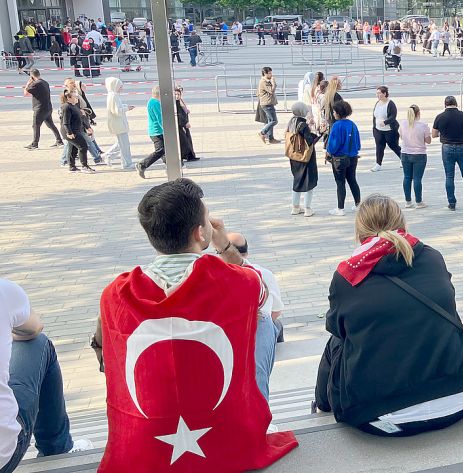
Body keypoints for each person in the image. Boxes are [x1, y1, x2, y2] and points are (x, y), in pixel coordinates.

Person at [93, 179, 298, 470]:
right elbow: (264, 296)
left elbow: (105, 351)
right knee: (264, 322)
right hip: (228, 439)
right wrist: (224, 245)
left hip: (144, 448)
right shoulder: (237, 282)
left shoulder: (116, 293)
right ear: (200, 232)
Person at [317, 195, 463, 436]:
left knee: (336, 340)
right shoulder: (432, 257)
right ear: (402, 223)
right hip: (461, 397)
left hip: (381, 416)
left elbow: (338, 330)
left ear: (359, 231)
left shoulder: (347, 276)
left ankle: (322, 405)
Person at [1, 279, 92, 473]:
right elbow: (34, 328)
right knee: (39, 344)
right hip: (4, 456)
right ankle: (57, 449)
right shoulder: (4, 291)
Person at [228, 233, 286, 385]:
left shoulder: (214, 277)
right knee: (273, 324)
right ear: (246, 252)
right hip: (259, 329)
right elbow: (276, 311)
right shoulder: (264, 274)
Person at [432, 96, 463, 211]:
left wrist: (443, 133)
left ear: (445, 104)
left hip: (447, 148)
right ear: (456, 104)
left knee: (449, 176)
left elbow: (434, 134)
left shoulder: (440, 117)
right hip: (462, 147)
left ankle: (451, 203)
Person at [326, 99, 362, 216]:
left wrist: (328, 152)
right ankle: (358, 204)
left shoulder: (337, 126)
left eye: (334, 112)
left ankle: (340, 208)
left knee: (340, 182)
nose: (333, 113)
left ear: (338, 113)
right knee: (352, 180)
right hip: (353, 157)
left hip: (339, 159)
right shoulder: (352, 124)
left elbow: (333, 144)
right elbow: (358, 143)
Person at [286, 101, 320, 217]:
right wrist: (318, 134)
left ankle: (295, 207)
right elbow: (309, 141)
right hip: (305, 158)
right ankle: (307, 208)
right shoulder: (302, 125)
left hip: (294, 156)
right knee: (309, 182)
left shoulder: (291, 122)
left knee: (297, 180)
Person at [399, 105, 432, 209]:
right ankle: (419, 201)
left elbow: (401, 137)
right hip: (419, 154)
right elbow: (428, 141)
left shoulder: (403, 124)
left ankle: (408, 201)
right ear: (418, 113)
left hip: (405, 153)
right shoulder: (423, 125)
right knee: (417, 178)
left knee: (407, 177)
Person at [24, 69, 63, 150]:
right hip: (48, 107)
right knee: (51, 125)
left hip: (39, 108)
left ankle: (35, 144)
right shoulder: (45, 82)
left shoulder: (35, 84)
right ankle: (59, 141)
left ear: (32, 76)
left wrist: (28, 83)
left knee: (36, 126)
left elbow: (26, 93)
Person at [60, 89, 95, 173]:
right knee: (83, 146)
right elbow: (65, 122)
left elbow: (80, 118)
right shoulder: (66, 107)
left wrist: (87, 127)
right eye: (75, 97)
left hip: (76, 130)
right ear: (69, 98)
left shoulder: (75, 106)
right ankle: (84, 166)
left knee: (74, 148)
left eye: (77, 96)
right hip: (71, 131)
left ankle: (72, 167)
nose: (77, 98)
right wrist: (69, 133)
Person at [103, 77, 134, 170]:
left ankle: (108, 156)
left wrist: (125, 106)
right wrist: (127, 108)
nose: (121, 89)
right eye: (120, 87)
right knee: (124, 145)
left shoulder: (112, 95)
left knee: (121, 143)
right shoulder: (113, 96)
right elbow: (116, 111)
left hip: (118, 123)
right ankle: (126, 163)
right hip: (119, 123)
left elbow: (116, 107)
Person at [135, 85, 164, 179]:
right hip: (157, 131)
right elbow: (160, 119)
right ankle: (142, 164)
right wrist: (165, 129)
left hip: (154, 131)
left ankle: (171, 166)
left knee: (164, 150)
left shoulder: (151, 101)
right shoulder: (156, 103)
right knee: (160, 151)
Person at [370, 86, 401, 172]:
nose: (378, 95)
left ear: (384, 93)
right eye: (377, 93)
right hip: (378, 130)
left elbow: (393, 117)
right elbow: (375, 115)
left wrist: (385, 122)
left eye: (379, 93)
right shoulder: (377, 103)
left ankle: (402, 158)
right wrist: (374, 127)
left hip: (389, 130)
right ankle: (378, 164)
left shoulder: (390, 104)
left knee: (393, 146)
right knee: (379, 147)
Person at [174, 86, 198, 162]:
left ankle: (190, 156)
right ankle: (188, 156)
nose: (177, 96)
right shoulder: (175, 103)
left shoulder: (180, 101)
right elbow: (179, 115)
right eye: (175, 94)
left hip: (184, 124)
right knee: (185, 142)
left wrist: (187, 111)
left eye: (178, 94)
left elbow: (183, 111)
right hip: (181, 125)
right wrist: (185, 122)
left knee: (187, 140)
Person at [257, 66, 279, 144]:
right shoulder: (263, 81)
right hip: (267, 104)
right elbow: (271, 91)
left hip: (269, 103)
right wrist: (273, 82)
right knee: (274, 121)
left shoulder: (266, 81)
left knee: (270, 121)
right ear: (265, 74)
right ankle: (262, 133)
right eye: (269, 73)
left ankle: (271, 138)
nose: (271, 75)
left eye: (271, 73)